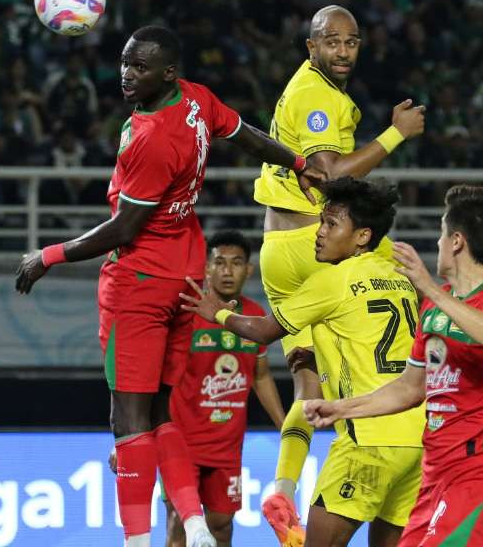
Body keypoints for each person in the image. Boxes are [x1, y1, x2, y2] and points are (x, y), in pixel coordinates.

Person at [14, 25, 325, 547]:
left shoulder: (154, 138)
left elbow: (124, 228)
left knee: (127, 420)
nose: (127, 75)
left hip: (139, 280)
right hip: (184, 272)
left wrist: (48, 256)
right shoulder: (197, 101)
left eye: (140, 67)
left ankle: (137, 540)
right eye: (125, 63)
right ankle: (195, 524)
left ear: (168, 73)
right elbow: (245, 133)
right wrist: (296, 162)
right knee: (161, 412)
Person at [251, 4, 426, 545]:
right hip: (311, 242)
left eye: (352, 43)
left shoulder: (308, 88)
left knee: (308, 382)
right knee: (400, 275)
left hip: (277, 248)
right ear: (312, 46)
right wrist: (395, 136)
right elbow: (327, 178)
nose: (343, 52)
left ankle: (283, 485)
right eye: (332, 42)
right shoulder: (317, 97)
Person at [180, 177, 426, 547]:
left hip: (367, 442)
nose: (319, 232)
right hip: (416, 439)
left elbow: (264, 330)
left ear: (361, 236)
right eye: (321, 222)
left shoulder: (332, 281)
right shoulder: (400, 277)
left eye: (330, 224)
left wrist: (217, 314)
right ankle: (285, 491)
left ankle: (284, 489)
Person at [304, 184, 483, 546]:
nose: (438, 243)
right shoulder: (432, 310)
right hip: (435, 472)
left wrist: (431, 289)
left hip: (482, 469)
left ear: (456, 241)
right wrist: (340, 408)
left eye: (442, 234)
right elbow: (409, 389)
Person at [107, 231, 287, 547]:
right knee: (179, 524)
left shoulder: (256, 317)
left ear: (249, 270)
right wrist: (130, 438)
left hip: (227, 445)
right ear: (206, 268)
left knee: (221, 527)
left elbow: (260, 376)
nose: (227, 271)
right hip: (180, 441)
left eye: (236, 263)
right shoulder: (185, 312)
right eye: (219, 262)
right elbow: (149, 381)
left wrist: (286, 428)